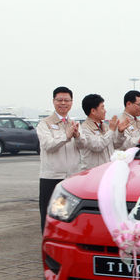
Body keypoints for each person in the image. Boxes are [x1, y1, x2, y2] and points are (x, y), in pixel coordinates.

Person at [36, 86, 81, 232]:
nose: (63, 103)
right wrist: (66, 136)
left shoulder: (73, 123)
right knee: (49, 217)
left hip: (71, 178)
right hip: (52, 178)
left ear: (71, 102)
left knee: (68, 216)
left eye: (66, 100)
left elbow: (83, 147)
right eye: (59, 100)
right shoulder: (45, 124)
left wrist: (78, 136)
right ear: (53, 101)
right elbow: (48, 145)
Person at [77, 94, 128, 171]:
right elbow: (97, 145)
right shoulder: (84, 128)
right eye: (102, 108)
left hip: (108, 169)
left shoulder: (105, 126)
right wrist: (111, 130)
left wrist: (120, 132)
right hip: (94, 172)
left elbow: (116, 144)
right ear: (93, 111)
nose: (105, 111)